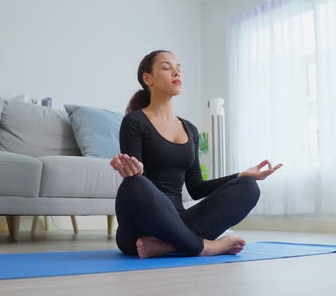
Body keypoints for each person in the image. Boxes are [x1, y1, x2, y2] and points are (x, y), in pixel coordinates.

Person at [110, 50, 282, 259]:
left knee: (248, 187)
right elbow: (134, 179)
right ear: (148, 79)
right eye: (166, 67)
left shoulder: (190, 129)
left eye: (178, 68)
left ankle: (168, 246)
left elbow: (196, 188)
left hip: (179, 222)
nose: (176, 72)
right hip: (138, 229)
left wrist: (241, 175)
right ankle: (207, 247)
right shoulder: (135, 121)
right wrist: (135, 170)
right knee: (135, 183)